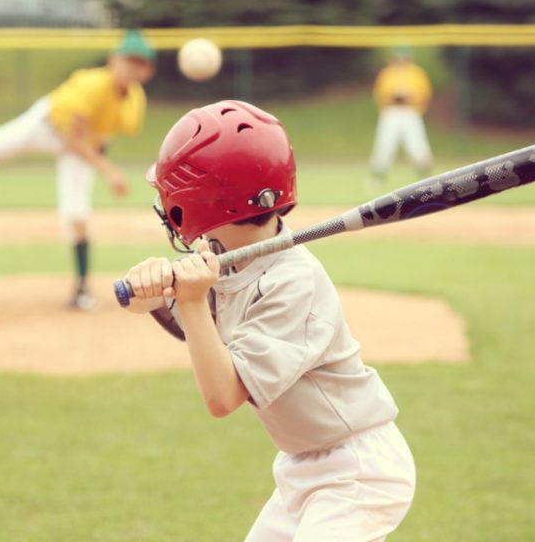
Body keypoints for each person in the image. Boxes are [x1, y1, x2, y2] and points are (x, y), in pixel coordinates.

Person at [124, 100, 415, 540]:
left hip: (356, 470)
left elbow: (222, 396)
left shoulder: (293, 282)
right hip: (302, 465)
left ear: (205, 200)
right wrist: (157, 302)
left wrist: (193, 299)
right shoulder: (227, 259)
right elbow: (204, 336)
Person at [0, 29, 156, 310]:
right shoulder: (92, 84)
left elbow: (104, 133)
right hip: (48, 126)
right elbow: (75, 138)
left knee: (76, 214)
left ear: (147, 71)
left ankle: (81, 290)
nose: (132, 68)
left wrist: (100, 159)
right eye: (128, 60)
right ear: (112, 60)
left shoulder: (135, 101)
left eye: (140, 63)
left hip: (80, 147)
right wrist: (108, 170)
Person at [368, 45, 434, 188]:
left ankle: (426, 180)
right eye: (399, 58)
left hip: (411, 112)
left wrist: (410, 97)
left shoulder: (417, 73)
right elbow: (379, 94)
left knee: (417, 146)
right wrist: (392, 97)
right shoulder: (387, 73)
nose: (401, 60)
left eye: (404, 58)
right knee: (384, 146)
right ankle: (377, 179)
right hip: (391, 112)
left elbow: (425, 94)